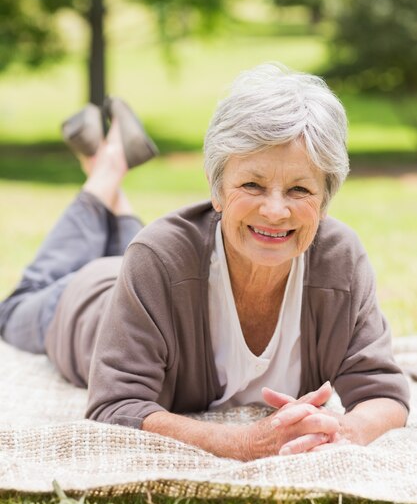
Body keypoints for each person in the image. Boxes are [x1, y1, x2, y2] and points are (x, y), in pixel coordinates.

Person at [0, 63, 409, 460]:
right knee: (17, 306)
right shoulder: (157, 258)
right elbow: (115, 408)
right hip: (84, 301)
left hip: (158, 267)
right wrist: (244, 443)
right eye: (252, 184)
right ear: (216, 191)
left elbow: (384, 394)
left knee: (144, 250)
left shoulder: (341, 262)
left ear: (325, 201)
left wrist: (346, 432)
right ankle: (104, 171)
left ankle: (106, 167)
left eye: (300, 189)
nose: (275, 210)